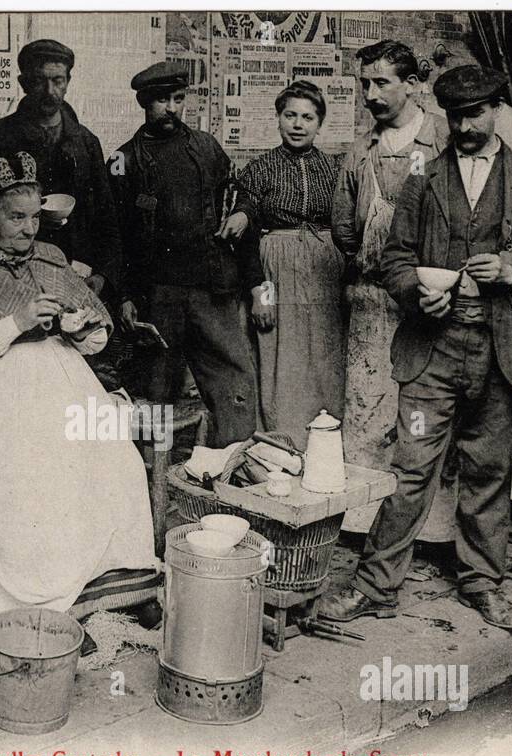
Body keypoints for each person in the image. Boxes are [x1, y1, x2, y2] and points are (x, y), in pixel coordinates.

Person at [321, 66, 512, 632]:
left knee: (488, 472)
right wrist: (417, 295)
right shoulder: (423, 180)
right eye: (455, 115)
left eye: (475, 113)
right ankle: (374, 585)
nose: (464, 125)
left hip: (502, 349)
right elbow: (395, 259)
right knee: (409, 470)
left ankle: (483, 581)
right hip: (433, 352)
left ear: (496, 112)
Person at [0, 151, 160, 622]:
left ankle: (111, 585)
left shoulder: (50, 260)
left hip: (58, 376)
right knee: (34, 467)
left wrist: (80, 329)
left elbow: (96, 342)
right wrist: (15, 323)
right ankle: (32, 599)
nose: (29, 229)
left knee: (114, 455)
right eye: (16, 217)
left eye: (34, 218)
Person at [334, 40, 457, 541]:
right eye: (365, 83)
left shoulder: (442, 142)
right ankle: (363, 523)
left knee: (422, 417)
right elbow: (343, 228)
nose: (371, 94)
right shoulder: (359, 151)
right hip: (371, 304)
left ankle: (430, 530)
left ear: (411, 85)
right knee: (366, 414)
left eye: (382, 82)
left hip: (432, 301)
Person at [110, 61, 258, 447]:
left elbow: (237, 189)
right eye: (162, 100)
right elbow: (116, 237)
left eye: (178, 99)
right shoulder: (124, 160)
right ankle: (155, 482)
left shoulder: (205, 146)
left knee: (233, 379)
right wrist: (125, 295)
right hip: (159, 295)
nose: (172, 108)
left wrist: (242, 211)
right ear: (144, 102)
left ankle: (232, 465)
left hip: (212, 287)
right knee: (157, 390)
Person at [0, 39, 121, 298]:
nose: (50, 91)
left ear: (68, 82)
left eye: (58, 81)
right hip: (9, 277)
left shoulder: (86, 142)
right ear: (24, 84)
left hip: (73, 277)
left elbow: (107, 220)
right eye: (40, 81)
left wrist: (104, 275)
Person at [228, 80, 344, 448]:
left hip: (326, 274)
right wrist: (261, 292)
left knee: (326, 360)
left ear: (319, 123)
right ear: (278, 119)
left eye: (307, 117)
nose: (298, 124)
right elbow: (245, 231)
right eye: (290, 115)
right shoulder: (260, 168)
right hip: (276, 271)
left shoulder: (334, 168)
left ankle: (325, 444)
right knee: (281, 360)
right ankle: (283, 444)